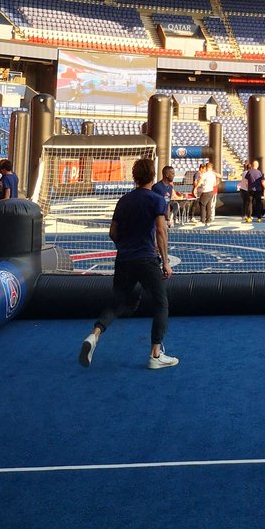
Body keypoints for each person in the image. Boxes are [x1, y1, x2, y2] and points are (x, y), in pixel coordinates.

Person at [79, 156, 178, 371]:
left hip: (124, 259)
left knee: (117, 303)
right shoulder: (156, 200)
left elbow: (112, 232)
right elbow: (161, 231)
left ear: (134, 177)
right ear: (153, 176)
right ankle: (155, 354)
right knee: (161, 303)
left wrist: (124, 246)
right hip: (146, 258)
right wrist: (165, 261)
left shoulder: (123, 201)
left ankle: (94, 334)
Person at [197, 161, 217, 225]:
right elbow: (214, 184)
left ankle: (202, 219)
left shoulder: (205, 174)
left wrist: (196, 187)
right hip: (211, 191)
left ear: (206, 167)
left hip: (206, 191)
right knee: (208, 205)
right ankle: (208, 220)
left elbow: (200, 181)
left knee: (202, 204)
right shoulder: (213, 175)